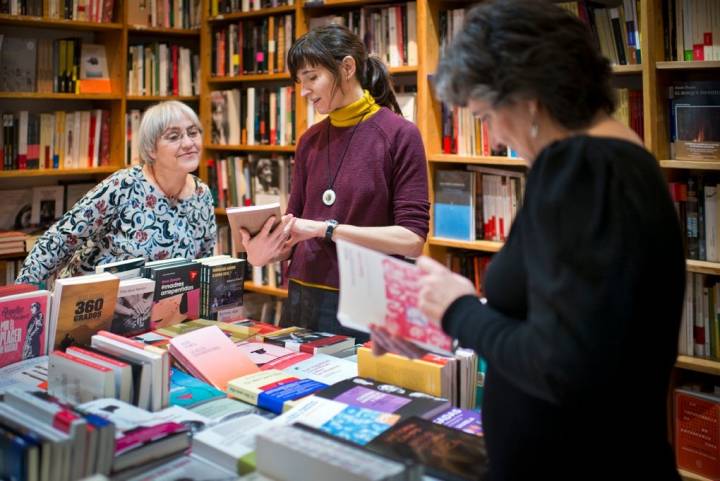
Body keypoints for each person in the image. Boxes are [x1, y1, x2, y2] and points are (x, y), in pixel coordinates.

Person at [371, 2, 685, 480]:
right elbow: (568, 319)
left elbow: (563, 365)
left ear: (526, 98)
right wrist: (435, 317)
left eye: (486, 115)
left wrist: (458, 310)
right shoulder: (622, 162)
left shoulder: (580, 170)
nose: (495, 138)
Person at [239, 24, 430, 341]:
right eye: (300, 82)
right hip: (304, 296)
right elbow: (294, 225)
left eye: (312, 77)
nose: (304, 91)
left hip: (370, 298)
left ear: (347, 67)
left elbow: (412, 238)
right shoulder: (309, 141)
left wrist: (324, 229)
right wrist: (263, 251)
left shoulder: (399, 135)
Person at [17, 101, 216, 285]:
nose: (189, 143)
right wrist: (22, 298)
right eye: (174, 137)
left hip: (160, 312)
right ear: (151, 149)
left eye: (193, 132)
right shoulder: (124, 185)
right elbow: (59, 239)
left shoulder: (202, 194)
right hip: (91, 305)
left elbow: (204, 262)